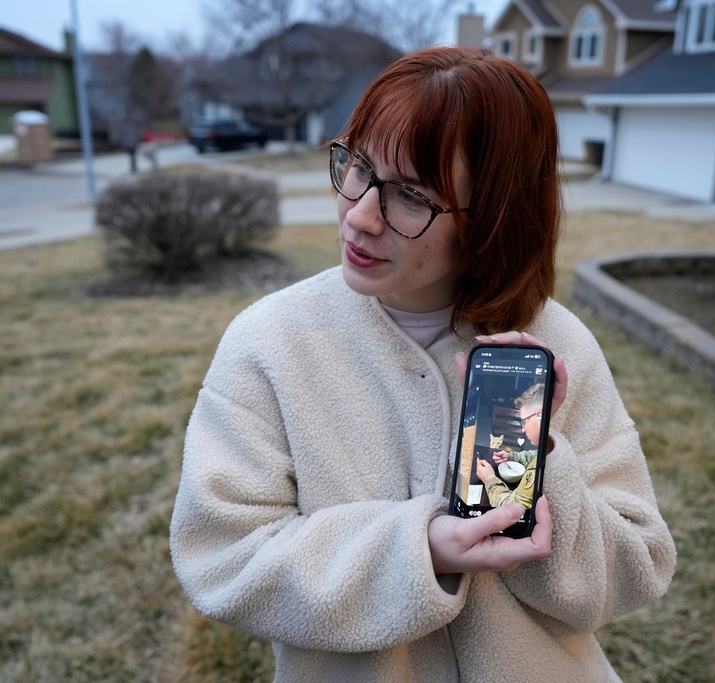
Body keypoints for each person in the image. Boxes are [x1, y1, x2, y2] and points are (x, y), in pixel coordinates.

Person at [170, 46, 675, 682]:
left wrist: (541, 458)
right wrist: (420, 552)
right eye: (355, 166)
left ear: (492, 216)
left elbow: (635, 574)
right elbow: (222, 560)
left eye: (410, 195)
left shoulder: (553, 343)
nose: (358, 214)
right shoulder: (269, 343)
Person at [476, 382, 545, 509]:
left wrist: (489, 479)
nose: (523, 430)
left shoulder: (537, 471)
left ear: (540, 416)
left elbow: (513, 507)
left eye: (524, 422)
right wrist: (513, 457)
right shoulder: (547, 448)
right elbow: (536, 454)